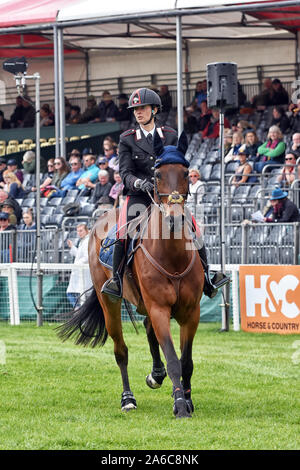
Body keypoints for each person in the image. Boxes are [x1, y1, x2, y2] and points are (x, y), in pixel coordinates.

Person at [101, 86, 228, 300]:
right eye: (135, 109)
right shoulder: (127, 138)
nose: (138, 112)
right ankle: (116, 280)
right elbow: (125, 172)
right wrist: (139, 183)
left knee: (193, 227)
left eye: (142, 108)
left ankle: (207, 276)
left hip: (168, 196)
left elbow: (175, 165)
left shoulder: (169, 135)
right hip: (139, 196)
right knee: (123, 230)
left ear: (154, 110)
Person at [66, 223, 92, 308]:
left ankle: (79, 311)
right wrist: (72, 247)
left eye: (81, 231)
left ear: (86, 231)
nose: (79, 233)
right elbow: (79, 255)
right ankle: (79, 311)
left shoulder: (87, 241)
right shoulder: (83, 241)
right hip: (79, 273)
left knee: (73, 294)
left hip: (84, 273)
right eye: (78, 231)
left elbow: (87, 257)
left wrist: (77, 264)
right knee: (75, 295)